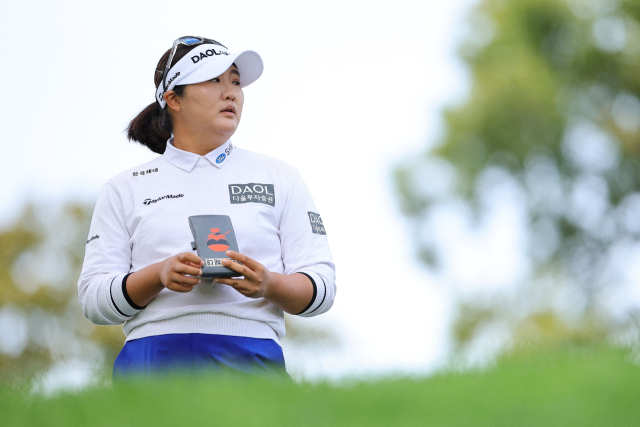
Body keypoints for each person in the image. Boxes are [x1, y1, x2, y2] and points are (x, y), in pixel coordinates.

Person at [76, 36, 336, 380]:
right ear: (173, 99)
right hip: (151, 357)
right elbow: (93, 301)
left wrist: (268, 284)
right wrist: (158, 275)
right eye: (214, 80)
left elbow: (322, 288)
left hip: (253, 354)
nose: (230, 93)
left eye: (236, 82)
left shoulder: (280, 177)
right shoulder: (124, 188)